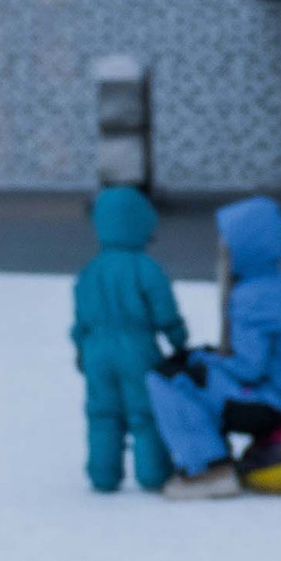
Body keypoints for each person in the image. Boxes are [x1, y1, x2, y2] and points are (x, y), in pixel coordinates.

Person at [149, 196, 281, 499]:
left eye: (228, 240)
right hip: (280, 396)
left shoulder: (254, 296)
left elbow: (249, 367)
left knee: (170, 380)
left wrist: (205, 361)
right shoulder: (273, 283)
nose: (222, 246)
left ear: (246, 245)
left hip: (267, 402)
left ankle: (209, 469)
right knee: (191, 371)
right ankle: (211, 456)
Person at [70, 186, 188, 493]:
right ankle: (153, 473)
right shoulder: (145, 268)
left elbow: (81, 316)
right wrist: (178, 339)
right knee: (145, 412)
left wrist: (81, 348)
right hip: (137, 348)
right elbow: (164, 310)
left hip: (96, 349)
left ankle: (103, 474)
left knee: (102, 413)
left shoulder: (90, 271)